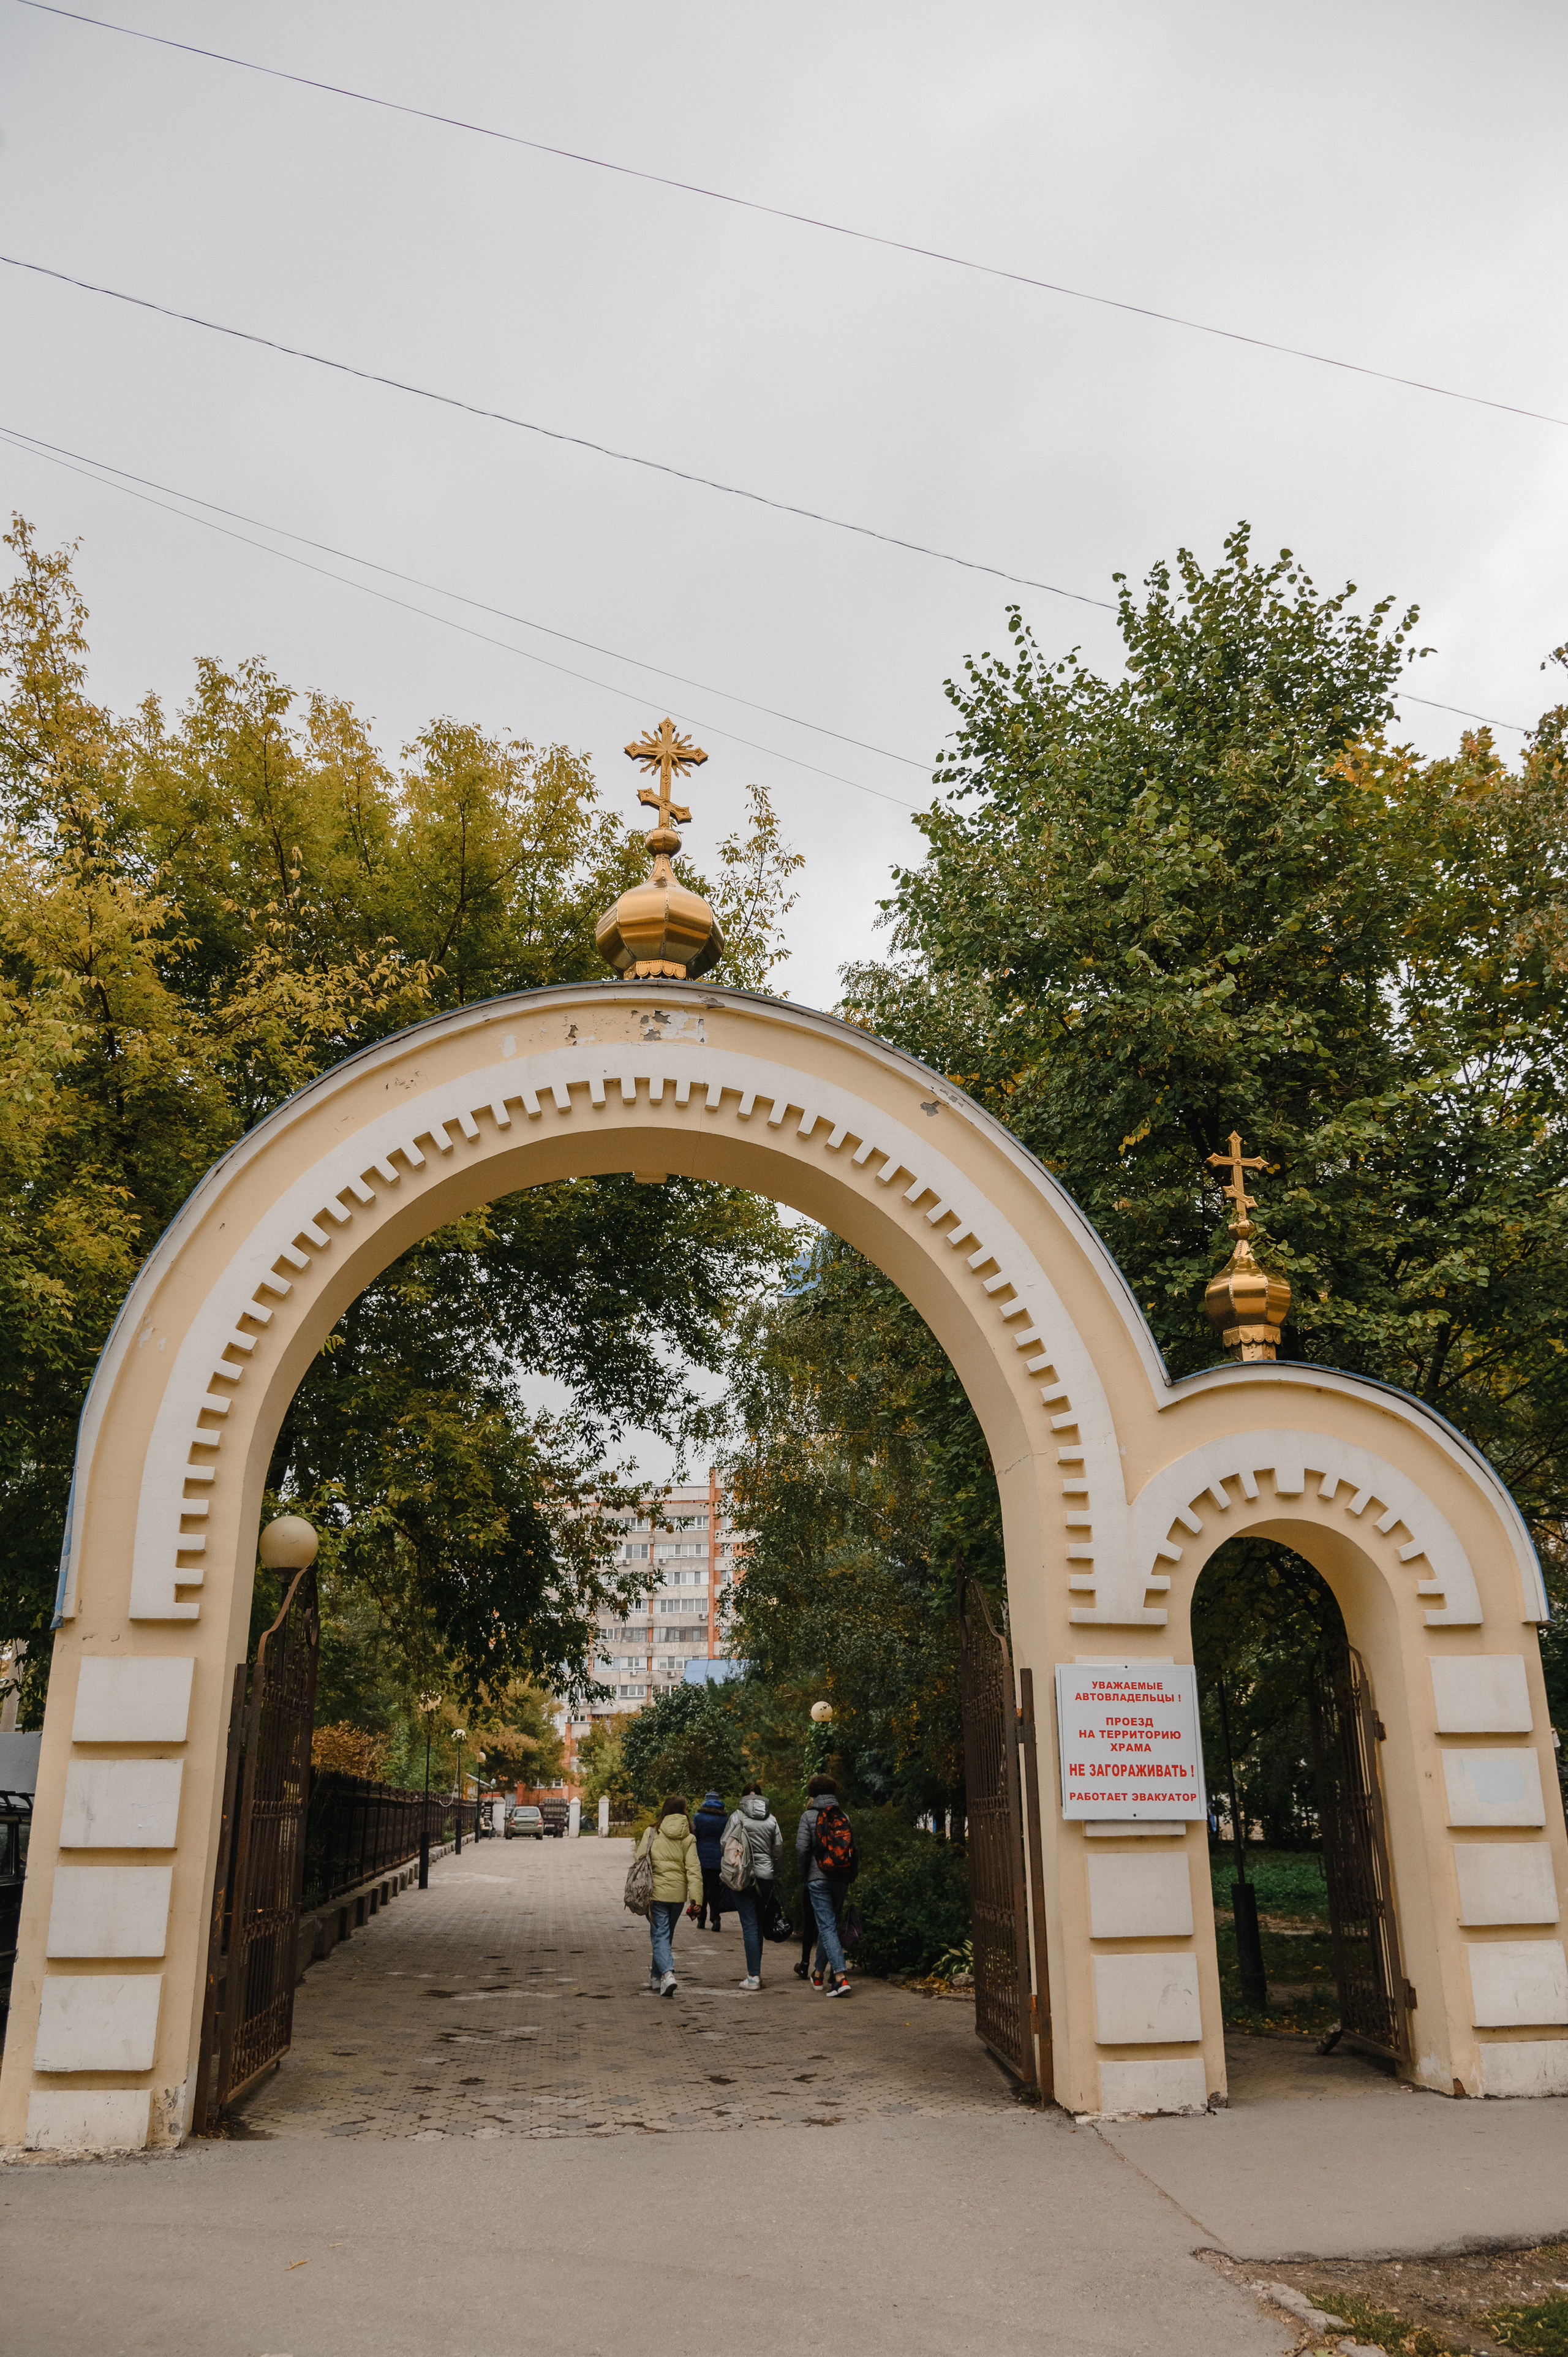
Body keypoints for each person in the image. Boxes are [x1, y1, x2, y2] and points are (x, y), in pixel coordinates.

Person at [636, 1793, 702, 1997]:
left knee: (660, 1936)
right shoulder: (689, 1837)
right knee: (665, 1936)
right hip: (678, 1897)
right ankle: (656, 1978)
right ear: (684, 1812)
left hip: (656, 1894)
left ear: (664, 1810)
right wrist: (697, 1899)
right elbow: (694, 1869)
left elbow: (640, 1858)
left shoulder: (652, 1832)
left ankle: (668, 1974)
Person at [795, 1774, 855, 1996]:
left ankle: (840, 1977)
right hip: (841, 1878)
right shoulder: (844, 1816)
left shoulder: (809, 1816)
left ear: (813, 1792)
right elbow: (852, 1849)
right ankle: (818, 1974)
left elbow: (802, 1849)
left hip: (818, 1878)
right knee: (828, 1925)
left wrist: (805, 1875)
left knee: (827, 1926)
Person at [723, 1782, 783, 1991]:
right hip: (766, 1877)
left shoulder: (737, 1817)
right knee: (758, 1922)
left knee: (749, 1925)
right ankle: (756, 1972)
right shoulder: (772, 1819)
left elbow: (725, 1843)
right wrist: (778, 1877)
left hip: (743, 1875)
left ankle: (753, 1976)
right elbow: (778, 1850)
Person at [692, 1788, 729, 1931]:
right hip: (717, 1859)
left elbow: (694, 1835)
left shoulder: (698, 1816)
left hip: (700, 1858)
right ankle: (716, 1920)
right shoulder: (724, 1818)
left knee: (701, 1890)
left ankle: (701, 1920)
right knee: (714, 1891)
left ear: (706, 1800)